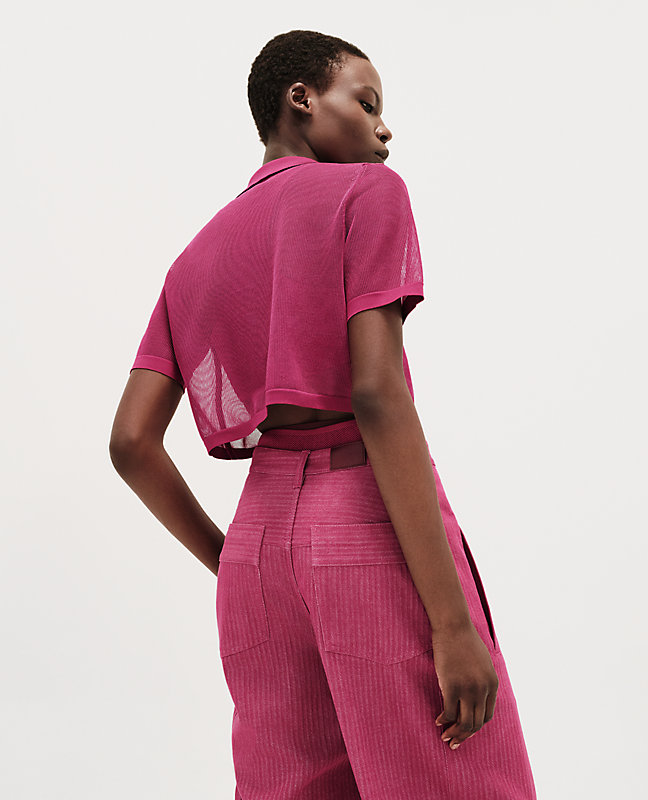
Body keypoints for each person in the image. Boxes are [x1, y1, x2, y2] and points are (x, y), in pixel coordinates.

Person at [110, 29, 537, 800]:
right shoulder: (368, 192)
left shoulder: (194, 257)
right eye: (366, 103)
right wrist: (451, 625)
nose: (384, 129)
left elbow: (131, 442)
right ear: (300, 98)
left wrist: (230, 560)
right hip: (363, 522)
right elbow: (375, 393)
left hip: (256, 550)